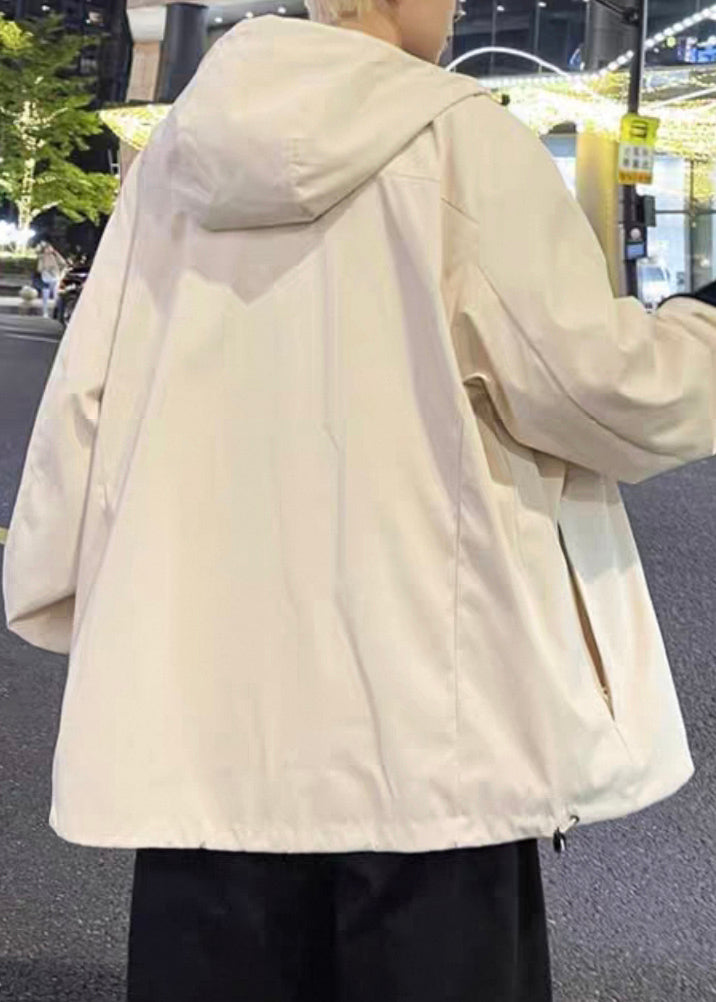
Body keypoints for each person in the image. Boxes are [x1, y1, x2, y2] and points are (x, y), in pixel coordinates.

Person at [3, 1, 716, 999]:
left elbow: (85, 403)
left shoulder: (173, 166)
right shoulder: (463, 141)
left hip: (203, 734)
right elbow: (597, 388)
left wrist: (75, 601)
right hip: (424, 738)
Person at [35, 239, 67, 318]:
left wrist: (56, 253)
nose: (49, 249)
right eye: (47, 248)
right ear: (44, 249)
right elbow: (39, 269)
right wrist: (47, 268)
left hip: (55, 278)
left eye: (50, 248)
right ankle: (45, 312)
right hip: (46, 279)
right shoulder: (42, 257)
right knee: (45, 296)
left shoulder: (54, 256)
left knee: (56, 296)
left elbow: (63, 263)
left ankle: (57, 313)